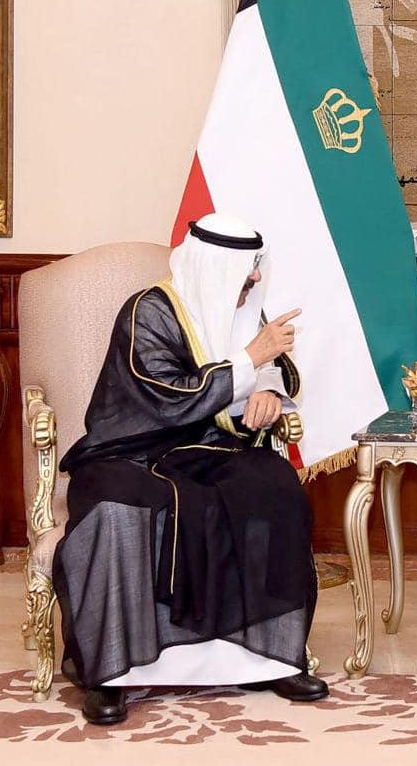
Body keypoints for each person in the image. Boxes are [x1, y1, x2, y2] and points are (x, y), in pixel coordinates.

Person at [54, 213, 326, 725]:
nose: (255, 279)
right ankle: (112, 674)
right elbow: (167, 398)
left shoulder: (244, 311)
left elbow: (273, 369)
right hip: (130, 450)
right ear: (216, 269)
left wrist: (268, 389)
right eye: (246, 270)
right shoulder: (147, 311)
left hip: (213, 449)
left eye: (256, 267)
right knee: (117, 510)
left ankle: (269, 659)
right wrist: (250, 360)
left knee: (276, 490)